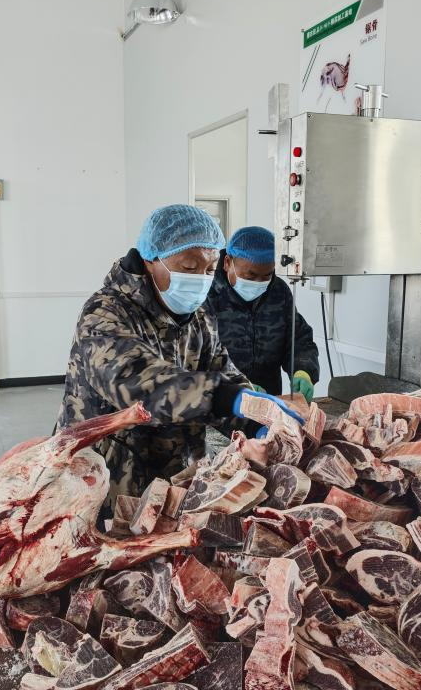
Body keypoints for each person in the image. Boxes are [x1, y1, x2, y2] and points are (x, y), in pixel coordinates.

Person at [57, 204, 302, 499]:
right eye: (189, 267)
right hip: (105, 479)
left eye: (209, 269)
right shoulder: (104, 313)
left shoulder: (199, 318)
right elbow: (138, 387)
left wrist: (256, 420)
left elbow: (222, 371)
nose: (200, 278)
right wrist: (226, 397)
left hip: (176, 473)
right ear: (151, 259)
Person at [206, 226, 320, 402]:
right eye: (250, 276)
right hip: (220, 401)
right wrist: (235, 385)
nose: (258, 283)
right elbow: (192, 356)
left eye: (267, 275)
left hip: (269, 399)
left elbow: (297, 338)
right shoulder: (206, 294)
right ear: (227, 263)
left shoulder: (279, 292)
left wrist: (303, 370)